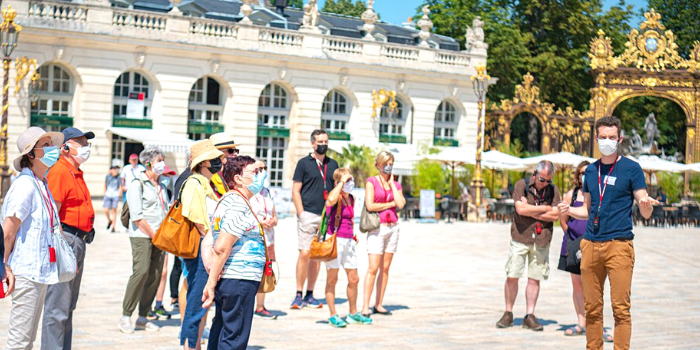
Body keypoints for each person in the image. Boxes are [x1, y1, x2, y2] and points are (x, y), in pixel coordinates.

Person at [558, 116, 656, 350]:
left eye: (612, 138)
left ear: (619, 139)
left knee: (621, 309)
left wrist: (646, 205)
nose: (607, 141)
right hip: (590, 244)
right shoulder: (590, 171)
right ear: (596, 139)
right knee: (592, 309)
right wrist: (568, 209)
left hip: (619, 245)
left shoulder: (631, 168)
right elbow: (588, 209)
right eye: (603, 137)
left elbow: (645, 208)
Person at [2, 127, 64, 350]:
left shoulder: (41, 184)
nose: (52, 149)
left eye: (51, 144)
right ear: (31, 154)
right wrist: (4, 266)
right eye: (45, 145)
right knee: (20, 342)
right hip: (26, 271)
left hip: (40, 269)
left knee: (28, 341)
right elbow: (8, 231)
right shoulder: (25, 185)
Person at [202, 155, 265, 350]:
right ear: (238, 178)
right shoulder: (237, 203)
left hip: (233, 278)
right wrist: (211, 284)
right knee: (234, 338)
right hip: (238, 278)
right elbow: (221, 247)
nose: (260, 176)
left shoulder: (229, 201)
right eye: (255, 172)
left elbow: (211, 240)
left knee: (222, 330)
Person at [42, 126, 96, 350]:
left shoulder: (74, 171)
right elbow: (52, 215)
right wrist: (61, 251)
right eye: (81, 143)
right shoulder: (60, 171)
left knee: (68, 306)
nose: (86, 147)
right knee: (57, 308)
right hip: (67, 240)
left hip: (78, 241)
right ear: (65, 147)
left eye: (86, 143)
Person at [496, 160, 561, 331]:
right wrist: (543, 208)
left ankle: (529, 315)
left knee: (534, 278)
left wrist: (530, 208)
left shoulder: (554, 190)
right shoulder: (521, 185)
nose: (545, 183)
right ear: (534, 173)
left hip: (541, 239)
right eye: (542, 179)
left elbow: (555, 216)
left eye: (548, 180)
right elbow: (520, 211)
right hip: (520, 236)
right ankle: (508, 313)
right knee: (512, 275)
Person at [118, 147, 169, 333]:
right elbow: (137, 217)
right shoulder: (137, 184)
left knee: (155, 275)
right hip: (142, 235)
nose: (162, 164)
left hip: (160, 237)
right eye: (159, 160)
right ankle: (125, 315)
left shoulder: (162, 186)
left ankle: (143, 315)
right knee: (140, 272)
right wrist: (155, 235)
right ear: (148, 163)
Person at [180, 139, 224, 350]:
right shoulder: (194, 182)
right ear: (204, 162)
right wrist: (210, 244)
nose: (219, 162)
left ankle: (193, 344)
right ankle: (189, 344)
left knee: (201, 298)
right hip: (200, 247)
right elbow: (196, 217)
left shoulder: (206, 182)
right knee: (197, 298)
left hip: (205, 245)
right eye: (214, 159)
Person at [290, 129, 338, 309]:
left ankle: (310, 294)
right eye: (320, 141)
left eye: (326, 141)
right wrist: (301, 213)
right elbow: (295, 190)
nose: (323, 144)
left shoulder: (332, 164)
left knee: (317, 255)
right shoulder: (304, 163)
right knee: (305, 253)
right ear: (312, 143)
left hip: (326, 216)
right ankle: (298, 293)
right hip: (308, 214)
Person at [324, 168, 373, 327]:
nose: (350, 183)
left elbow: (349, 219)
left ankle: (353, 313)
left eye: (351, 180)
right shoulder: (335, 196)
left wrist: (352, 235)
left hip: (348, 241)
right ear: (338, 183)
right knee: (332, 279)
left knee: (354, 278)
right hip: (335, 240)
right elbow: (329, 200)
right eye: (347, 180)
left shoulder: (351, 198)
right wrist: (341, 183)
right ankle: (333, 314)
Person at [361, 151, 406, 317]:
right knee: (373, 268)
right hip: (377, 228)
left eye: (391, 163)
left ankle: (379, 304)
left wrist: (393, 185)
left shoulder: (396, 184)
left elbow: (400, 204)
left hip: (393, 227)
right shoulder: (371, 182)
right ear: (378, 165)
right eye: (385, 163)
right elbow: (370, 205)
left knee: (385, 268)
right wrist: (390, 204)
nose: (388, 166)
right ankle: (365, 306)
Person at [557, 161, 597, 338]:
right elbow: (563, 220)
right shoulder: (571, 195)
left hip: (593, 244)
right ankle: (581, 321)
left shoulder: (597, 195)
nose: (583, 176)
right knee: (577, 284)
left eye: (587, 173)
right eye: (581, 173)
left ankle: (594, 323)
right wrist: (572, 240)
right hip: (573, 244)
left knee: (594, 285)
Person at [249, 160, 279, 320]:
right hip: (254, 237)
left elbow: (275, 215)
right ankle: (249, 305)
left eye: (264, 169)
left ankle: (260, 307)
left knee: (266, 271)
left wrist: (273, 220)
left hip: (269, 237)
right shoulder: (248, 192)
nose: (262, 171)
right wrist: (260, 222)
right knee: (253, 271)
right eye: (258, 169)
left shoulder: (267, 191)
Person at [150, 164, 177, 320]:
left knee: (164, 272)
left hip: (164, 234)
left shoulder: (167, 192)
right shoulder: (153, 190)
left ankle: (158, 304)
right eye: (165, 175)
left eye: (169, 175)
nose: (167, 178)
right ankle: (147, 305)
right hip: (151, 234)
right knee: (151, 272)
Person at [104, 166, 121, 233]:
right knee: (106, 210)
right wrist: (104, 192)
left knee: (114, 210)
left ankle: (113, 226)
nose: (115, 171)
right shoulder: (108, 177)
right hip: (108, 194)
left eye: (116, 169)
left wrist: (119, 193)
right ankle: (109, 221)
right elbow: (105, 184)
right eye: (114, 169)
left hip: (115, 195)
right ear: (110, 170)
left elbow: (120, 186)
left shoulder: (118, 177)